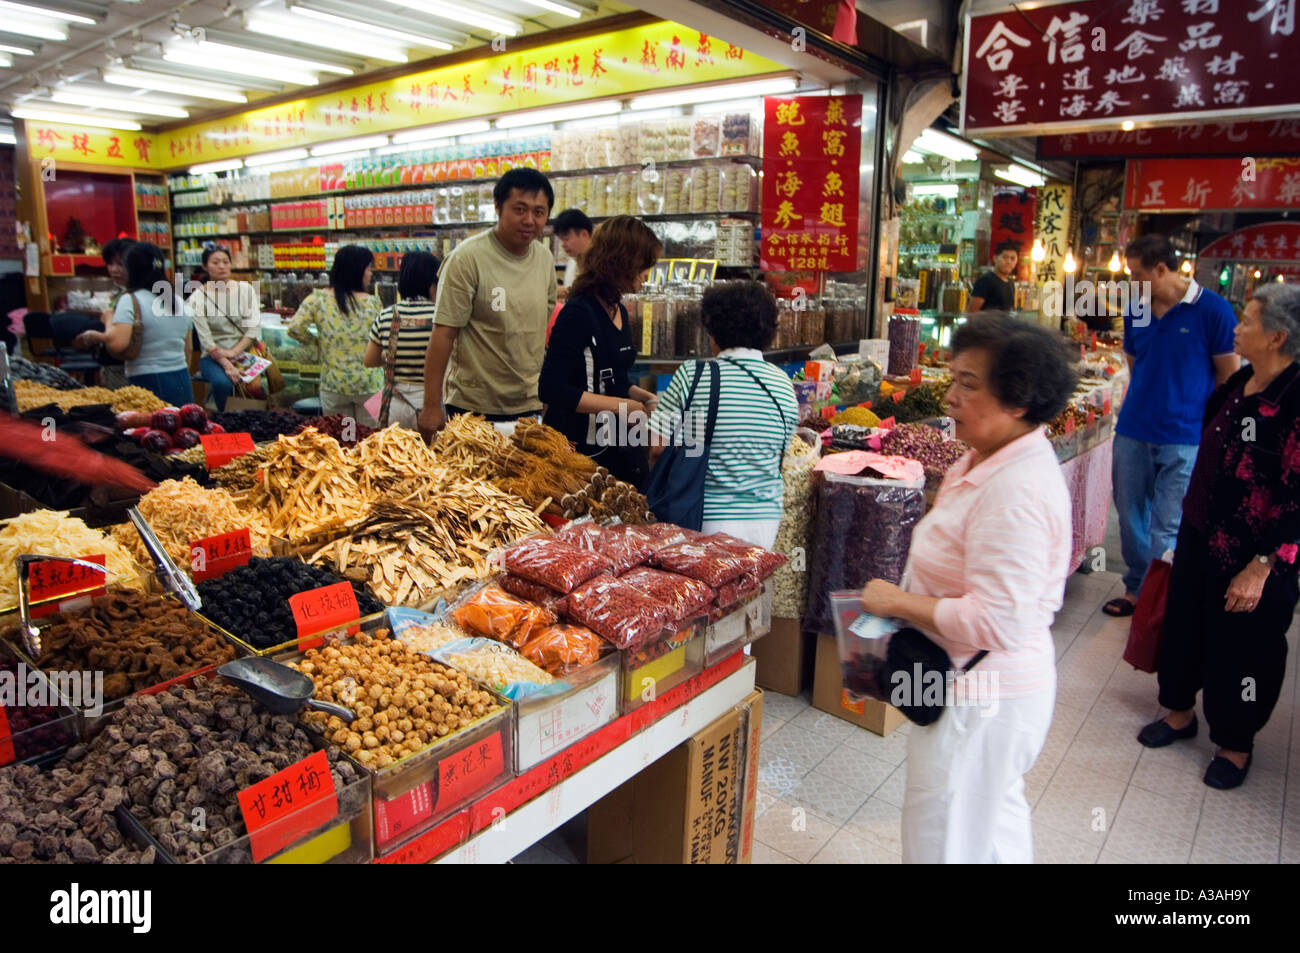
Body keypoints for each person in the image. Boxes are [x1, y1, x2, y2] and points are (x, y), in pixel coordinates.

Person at [858, 313, 1075, 863]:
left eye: (968, 384)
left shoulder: (1017, 491)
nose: (950, 397)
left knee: (949, 839)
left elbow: (999, 620)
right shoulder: (984, 458)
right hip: (962, 682)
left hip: (983, 699)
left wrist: (897, 602)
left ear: (1018, 399)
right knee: (985, 833)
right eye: (953, 379)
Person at [1136, 284, 1300, 790]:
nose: (1237, 328)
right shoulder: (1239, 383)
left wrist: (1263, 565)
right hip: (1200, 530)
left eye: (1247, 321)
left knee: (1244, 651)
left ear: (1276, 337)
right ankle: (1179, 712)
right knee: (1186, 627)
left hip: (1253, 554)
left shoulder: (1293, 400)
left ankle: (1235, 743)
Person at [1104, 234, 1240, 616]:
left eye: (1137, 274)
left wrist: (1210, 428)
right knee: (1130, 516)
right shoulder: (1137, 309)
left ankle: (1159, 601)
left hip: (1184, 436)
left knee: (1167, 524)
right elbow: (1136, 364)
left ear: (1161, 269)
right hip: (1133, 429)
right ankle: (1136, 587)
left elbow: (1228, 377)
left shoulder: (1214, 310)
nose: (1132, 282)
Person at [646, 281, 797, 548]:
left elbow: (657, 449)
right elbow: (779, 455)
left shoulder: (693, 375)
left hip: (704, 520)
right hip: (765, 523)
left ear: (713, 331)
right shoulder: (783, 384)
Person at [418, 168, 556, 438]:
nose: (529, 220)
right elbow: (444, 334)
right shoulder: (467, 258)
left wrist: (546, 390)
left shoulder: (545, 260)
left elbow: (540, 332)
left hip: (528, 404)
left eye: (539, 212)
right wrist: (431, 405)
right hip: (473, 408)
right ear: (497, 206)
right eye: (520, 209)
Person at [539, 216, 660, 487]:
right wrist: (620, 406)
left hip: (615, 443)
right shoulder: (578, 312)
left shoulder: (619, 310)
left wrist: (646, 397)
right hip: (578, 452)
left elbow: (613, 379)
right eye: (644, 265)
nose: (646, 274)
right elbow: (551, 388)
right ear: (622, 261)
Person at [76, 242, 194, 407]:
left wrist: (107, 319)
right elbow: (188, 349)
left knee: (152, 423)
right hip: (181, 377)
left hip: (148, 379)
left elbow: (117, 343)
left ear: (131, 270)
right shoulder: (179, 301)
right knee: (183, 421)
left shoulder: (131, 299)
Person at [288, 244, 383, 427]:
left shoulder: (317, 299)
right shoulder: (373, 303)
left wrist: (318, 343)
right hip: (369, 385)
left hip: (334, 385)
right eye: (369, 269)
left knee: (341, 436)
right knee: (370, 438)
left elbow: (294, 328)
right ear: (357, 271)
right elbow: (382, 339)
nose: (371, 274)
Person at [364, 250, 440, 430]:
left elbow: (369, 360)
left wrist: (391, 355)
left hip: (395, 405)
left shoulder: (388, 315)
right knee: (434, 448)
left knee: (397, 448)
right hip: (433, 402)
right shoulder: (441, 316)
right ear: (433, 284)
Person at [187, 245, 264, 411]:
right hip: (213, 357)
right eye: (215, 262)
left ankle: (255, 420)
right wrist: (228, 365)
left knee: (257, 386)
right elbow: (206, 340)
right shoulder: (197, 298)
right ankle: (226, 420)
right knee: (222, 384)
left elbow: (253, 328)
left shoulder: (246, 290)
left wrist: (234, 352)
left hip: (244, 352)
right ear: (205, 266)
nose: (221, 266)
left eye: (225, 262)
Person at [967, 241, 1020, 312]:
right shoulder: (985, 281)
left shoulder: (1010, 283)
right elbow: (971, 312)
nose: (1009, 262)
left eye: (1012, 258)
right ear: (995, 259)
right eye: (1005, 257)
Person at [554, 208, 594, 300]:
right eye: (561, 240)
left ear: (584, 234)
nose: (563, 245)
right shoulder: (572, 263)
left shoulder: (600, 264)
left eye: (566, 239)